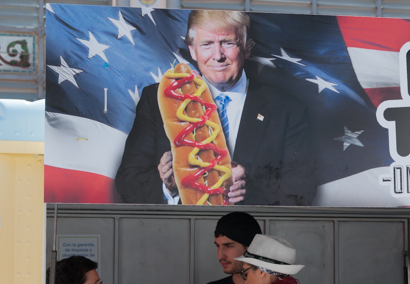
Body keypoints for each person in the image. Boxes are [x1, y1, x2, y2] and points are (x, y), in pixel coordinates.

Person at [115, 10, 314, 206]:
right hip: (181, 232)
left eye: (228, 43)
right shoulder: (158, 99)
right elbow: (127, 182)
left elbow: (302, 190)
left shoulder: (288, 110)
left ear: (247, 47)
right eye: (206, 44)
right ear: (192, 50)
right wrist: (170, 187)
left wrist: (251, 188)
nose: (217, 56)